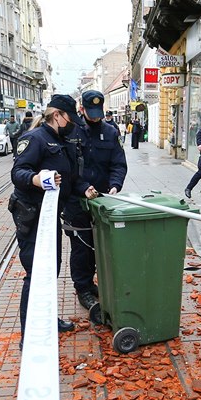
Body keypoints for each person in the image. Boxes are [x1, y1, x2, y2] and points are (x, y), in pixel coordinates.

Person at [9, 94, 86, 336]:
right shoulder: (35, 138)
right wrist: (37, 179)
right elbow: (18, 172)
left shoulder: (63, 140)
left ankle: (47, 318)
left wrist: (86, 188)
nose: (72, 123)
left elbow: (72, 177)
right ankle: (29, 334)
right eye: (68, 118)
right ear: (57, 116)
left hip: (51, 214)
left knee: (51, 267)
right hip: (32, 216)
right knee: (35, 271)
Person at [65, 91, 127, 313]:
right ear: (82, 109)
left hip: (102, 200)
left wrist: (115, 185)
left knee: (101, 244)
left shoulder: (110, 132)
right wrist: (82, 188)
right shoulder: (71, 132)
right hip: (77, 200)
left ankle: (96, 284)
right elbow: (67, 167)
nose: (95, 118)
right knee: (82, 246)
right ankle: (83, 288)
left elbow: (118, 164)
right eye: (91, 113)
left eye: (98, 114)